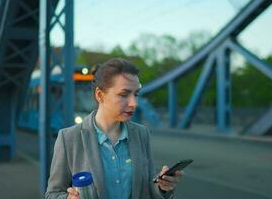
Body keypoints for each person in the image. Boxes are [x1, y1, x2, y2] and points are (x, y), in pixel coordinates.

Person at [45, 58, 184, 199]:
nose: (134, 103)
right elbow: (52, 194)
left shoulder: (142, 134)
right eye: (124, 95)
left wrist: (162, 188)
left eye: (136, 94)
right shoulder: (68, 138)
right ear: (100, 95)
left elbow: (147, 189)